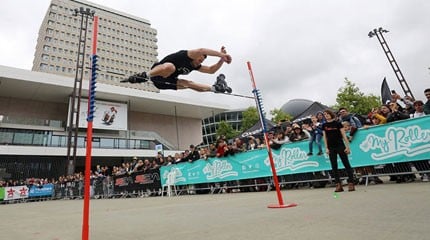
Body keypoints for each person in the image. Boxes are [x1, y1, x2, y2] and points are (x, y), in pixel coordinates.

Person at [122, 46, 232, 93]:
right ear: (195, 56)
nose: (199, 63)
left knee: (188, 84)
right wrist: (220, 54)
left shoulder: (195, 66)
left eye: (201, 62)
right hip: (158, 73)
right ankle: (145, 75)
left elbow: (211, 70)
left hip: (166, 82)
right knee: (170, 67)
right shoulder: (186, 54)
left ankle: (214, 88)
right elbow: (202, 49)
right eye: (199, 60)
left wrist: (222, 60)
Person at [322, 109, 355, 192]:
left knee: (346, 164)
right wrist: (326, 148)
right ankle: (338, 185)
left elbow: (344, 135)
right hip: (331, 147)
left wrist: (347, 147)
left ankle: (351, 183)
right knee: (334, 166)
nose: (326, 115)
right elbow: (324, 137)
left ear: (331, 114)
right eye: (325, 114)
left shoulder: (338, 123)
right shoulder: (324, 125)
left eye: (327, 114)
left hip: (340, 145)